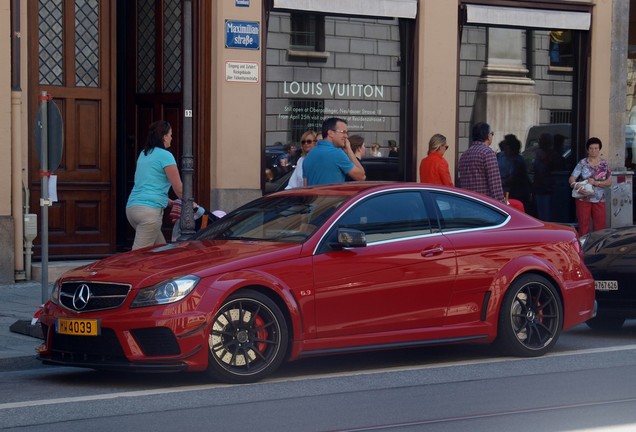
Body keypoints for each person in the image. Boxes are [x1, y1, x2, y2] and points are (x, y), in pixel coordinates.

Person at [126, 120, 183, 250]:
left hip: (132, 209)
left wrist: (171, 202)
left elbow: (149, 186)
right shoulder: (166, 156)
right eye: (170, 134)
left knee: (161, 252)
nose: (171, 138)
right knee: (137, 256)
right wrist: (190, 203)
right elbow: (178, 188)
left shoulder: (144, 154)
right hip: (149, 213)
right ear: (164, 136)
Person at [303, 117, 366, 186]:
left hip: (313, 196)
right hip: (333, 196)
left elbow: (305, 184)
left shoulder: (309, 155)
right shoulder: (337, 153)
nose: (346, 136)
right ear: (331, 133)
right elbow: (361, 177)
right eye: (343, 132)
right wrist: (349, 150)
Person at [568, 137, 612, 236]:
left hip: (599, 199)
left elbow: (609, 182)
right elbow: (571, 178)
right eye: (591, 148)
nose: (594, 150)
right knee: (583, 226)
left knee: (600, 226)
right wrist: (576, 186)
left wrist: (596, 183)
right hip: (583, 199)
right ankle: (583, 248)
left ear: (599, 149)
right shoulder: (582, 163)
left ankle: (597, 249)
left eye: (596, 148)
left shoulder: (604, 164)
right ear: (588, 150)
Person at [458, 122, 505, 202]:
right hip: (484, 206)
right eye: (492, 134)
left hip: (467, 204)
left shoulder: (464, 156)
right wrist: (502, 204)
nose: (492, 136)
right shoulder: (488, 153)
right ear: (487, 135)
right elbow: (495, 186)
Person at [497, 134, 531, 210]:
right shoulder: (500, 157)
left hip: (517, 193)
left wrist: (501, 182)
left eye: (507, 147)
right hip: (505, 192)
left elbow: (514, 177)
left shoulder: (519, 160)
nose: (506, 149)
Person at [533, 133, 560, 220]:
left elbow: (553, 169)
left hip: (548, 189)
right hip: (539, 188)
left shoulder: (553, 155)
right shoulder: (538, 154)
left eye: (541, 140)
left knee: (547, 214)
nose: (539, 142)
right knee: (541, 214)